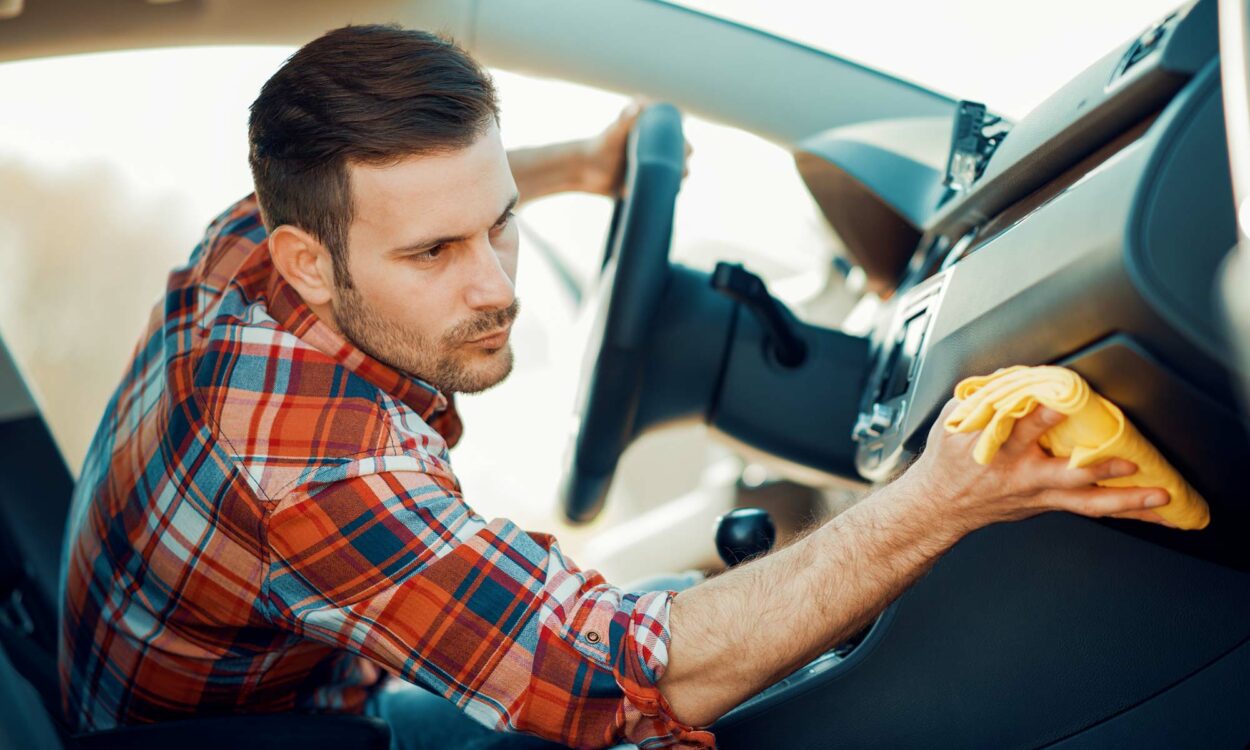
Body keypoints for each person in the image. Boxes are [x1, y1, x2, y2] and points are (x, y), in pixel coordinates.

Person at [57, 24, 1173, 750]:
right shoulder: (318, 468)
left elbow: (434, 201)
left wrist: (581, 165)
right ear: (310, 260)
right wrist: (942, 498)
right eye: (434, 255)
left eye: (498, 220)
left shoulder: (250, 240)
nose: (496, 288)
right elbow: (623, 683)